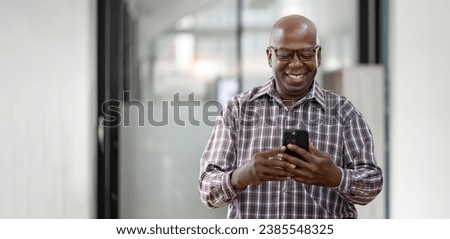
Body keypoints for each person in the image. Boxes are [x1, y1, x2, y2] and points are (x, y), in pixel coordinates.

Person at [198, 14, 383, 219]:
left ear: (318, 56)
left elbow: (372, 184)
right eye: (285, 54)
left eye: (305, 54)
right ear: (270, 56)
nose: (296, 64)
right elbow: (207, 190)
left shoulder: (344, 113)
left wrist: (336, 177)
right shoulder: (237, 110)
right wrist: (242, 176)